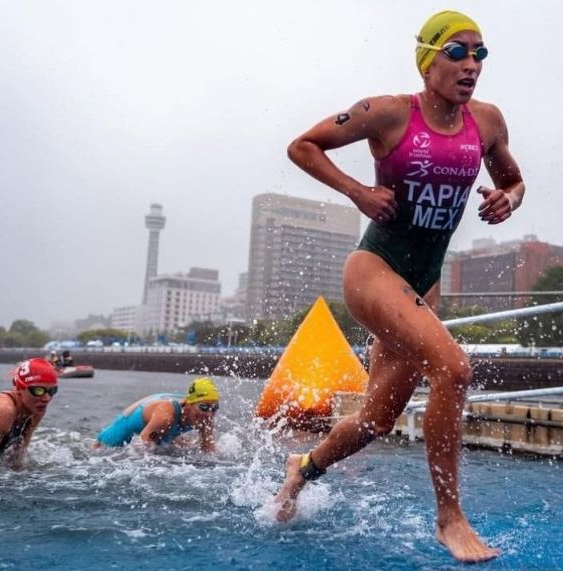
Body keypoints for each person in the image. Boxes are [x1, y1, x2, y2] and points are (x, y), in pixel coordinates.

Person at [273, 10, 524, 563]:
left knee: (376, 420)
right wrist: (358, 191)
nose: (471, 65)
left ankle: (302, 469)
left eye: (480, 53)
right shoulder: (386, 113)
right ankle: (450, 517)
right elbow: (303, 146)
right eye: (458, 52)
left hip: (423, 284)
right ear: (428, 59)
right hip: (373, 270)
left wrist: (509, 198)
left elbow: (513, 178)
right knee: (454, 369)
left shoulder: (487, 122)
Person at [95, 377, 219, 453]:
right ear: (188, 404)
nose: (209, 413)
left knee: (185, 444)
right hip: (113, 441)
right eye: (204, 407)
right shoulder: (165, 416)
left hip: (157, 429)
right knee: (155, 440)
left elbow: (208, 450)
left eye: (214, 408)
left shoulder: (206, 418)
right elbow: (141, 446)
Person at [0, 358, 59, 472]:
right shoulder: (1, 410)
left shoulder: (36, 408)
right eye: (38, 390)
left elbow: (18, 455)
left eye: (52, 391)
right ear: (20, 388)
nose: (47, 398)